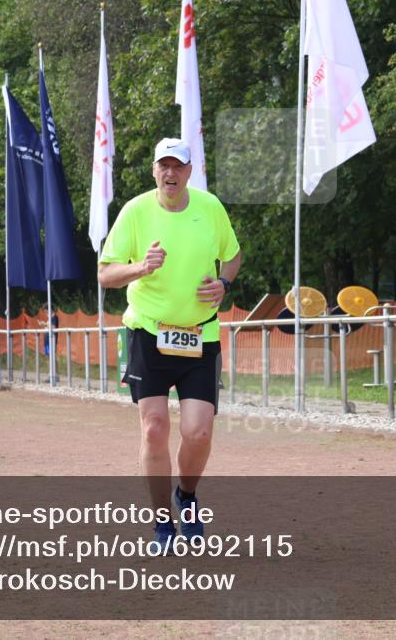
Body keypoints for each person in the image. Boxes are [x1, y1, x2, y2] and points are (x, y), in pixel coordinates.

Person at [98, 138, 242, 551]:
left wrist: (224, 282)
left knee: (198, 433)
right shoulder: (135, 212)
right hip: (147, 333)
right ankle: (163, 522)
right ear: (153, 171)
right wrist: (141, 267)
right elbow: (105, 274)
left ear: (189, 171)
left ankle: (187, 495)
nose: (170, 174)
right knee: (155, 428)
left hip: (201, 335)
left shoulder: (209, 208)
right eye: (163, 166)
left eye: (177, 166)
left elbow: (233, 255)